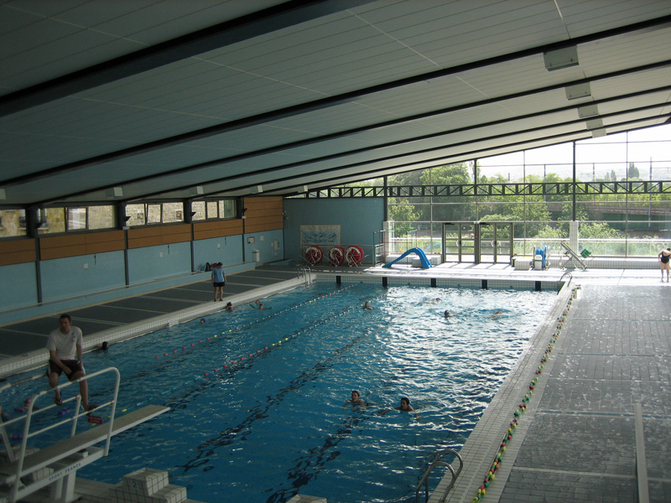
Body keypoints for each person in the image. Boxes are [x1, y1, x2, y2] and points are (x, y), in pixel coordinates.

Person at [46, 314, 95, 411]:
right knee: (53, 381)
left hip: (71, 360)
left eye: (65, 323)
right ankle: (58, 393)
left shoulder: (76, 331)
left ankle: (86, 405)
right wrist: (63, 367)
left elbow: (79, 346)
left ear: (70, 323)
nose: (63, 325)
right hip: (57, 360)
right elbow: (52, 355)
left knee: (83, 377)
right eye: (61, 323)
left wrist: (80, 361)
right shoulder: (54, 335)